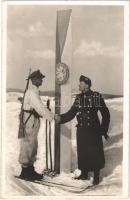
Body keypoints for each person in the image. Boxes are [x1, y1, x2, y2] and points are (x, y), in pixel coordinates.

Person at [55, 75, 110, 185]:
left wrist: (103, 130)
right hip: (82, 130)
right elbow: (72, 113)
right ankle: (84, 174)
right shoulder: (79, 98)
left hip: (94, 130)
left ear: (86, 85)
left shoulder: (96, 97)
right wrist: (60, 118)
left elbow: (106, 114)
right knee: (83, 152)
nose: (78, 85)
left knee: (95, 153)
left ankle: (96, 176)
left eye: (80, 83)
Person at [18, 70, 54, 181]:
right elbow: (39, 107)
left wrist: (45, 113)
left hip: (32, 119)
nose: (42, 80)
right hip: (30, 121)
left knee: (32, 144)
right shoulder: (32, 92)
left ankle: (29, 170)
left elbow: (38, 108)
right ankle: (25, 171)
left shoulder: (33, 91)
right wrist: (52, 116)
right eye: (40, 78)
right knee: (28, 144)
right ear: (34, 80)